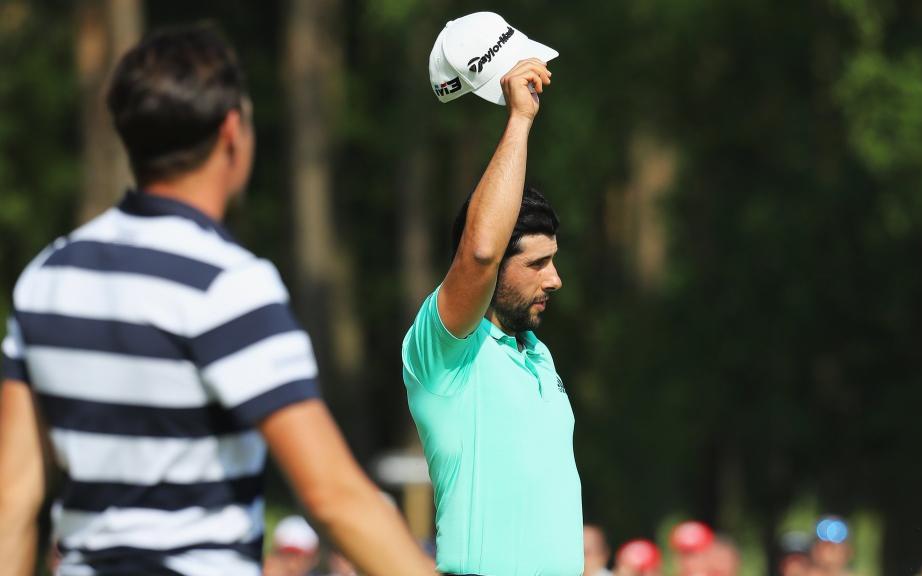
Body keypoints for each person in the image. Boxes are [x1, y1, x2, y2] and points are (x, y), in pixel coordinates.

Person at [0, 24, 435, 576]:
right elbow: (333, 496)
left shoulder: (47, 276)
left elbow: (12, 501)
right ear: (233, 130)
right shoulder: (227, 285)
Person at [403, 12, 579, 576]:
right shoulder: (445, 351)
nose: (554, 279)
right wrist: (519, 122)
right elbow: (480, 252)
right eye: (538, 264)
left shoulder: (537, 354)